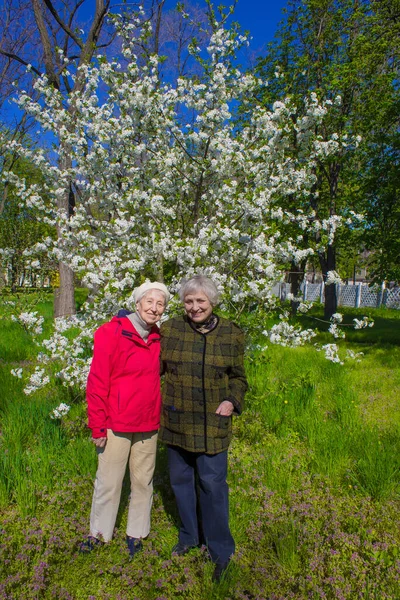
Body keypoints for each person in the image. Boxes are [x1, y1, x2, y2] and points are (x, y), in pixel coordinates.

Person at [159, 275, 247, 581]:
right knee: (181, 483)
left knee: (212, 486)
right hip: (177, 421)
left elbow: (238, 377)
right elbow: (151, 368)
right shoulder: (170, 330)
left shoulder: (231, 334)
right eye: (189, 301)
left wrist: (232, 401)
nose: (195, 307)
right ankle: (189, 538)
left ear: (212, 302)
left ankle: (220, 549)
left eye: (201, 301)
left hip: (212, 424)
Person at [80, 281, 170, 557]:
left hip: (148, 422)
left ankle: (137, 533)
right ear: (138, 303)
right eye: (149, 302)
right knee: (109, 480)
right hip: (115, 423)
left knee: (143, 481)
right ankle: (99, 534)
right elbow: (97, 382)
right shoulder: (111, 333)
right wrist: (97, 424)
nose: (154, 309)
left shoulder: (159, 338)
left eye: (160, 304)